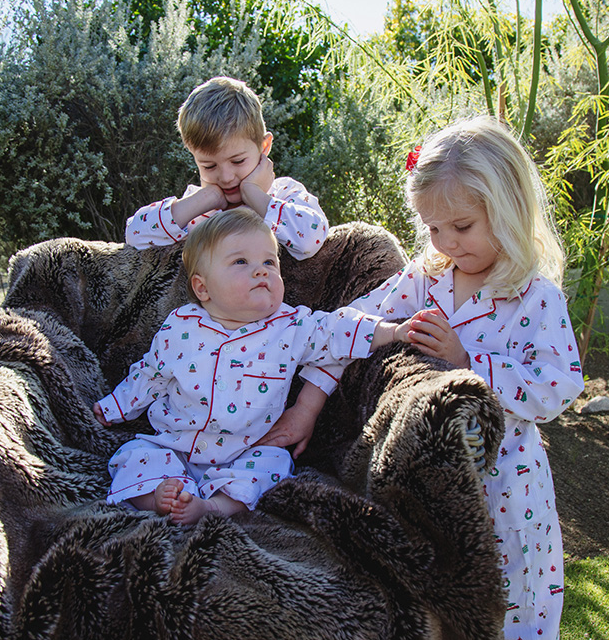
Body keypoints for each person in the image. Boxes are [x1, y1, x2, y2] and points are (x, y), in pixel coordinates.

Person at [261, 116, 584, 640]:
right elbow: (355, 328)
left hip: (509, 490)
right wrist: (307, 398)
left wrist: (468, 359)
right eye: (433, 228)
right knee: (440, 610)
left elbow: (556, 387)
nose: (447, 242)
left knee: (514, 609)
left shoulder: (534, 297)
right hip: (427, 488)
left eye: (462, 227)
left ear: (508, 210)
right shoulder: (428, 276)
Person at [93, 208, 420, 525]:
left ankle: (213, 506)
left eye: (269, 262)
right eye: (240, 262)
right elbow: (150, 373)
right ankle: (160, 496)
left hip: (245, 452)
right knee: (134, 454)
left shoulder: (290, 327)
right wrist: (113, 407)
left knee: (274, 464)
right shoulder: (180, 325)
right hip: (175, 445)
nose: (262, 270)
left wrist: (391, 331)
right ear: (202, 288)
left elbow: (338, 329)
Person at [124, 76, 329, 260]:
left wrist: (254, 194)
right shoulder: (194, 209)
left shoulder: (284, 194)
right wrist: (205, 199)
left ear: (264, 146)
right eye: (209, 165)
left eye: (238, 161)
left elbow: (311, 240)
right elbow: (134, 236)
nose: (226, 177)